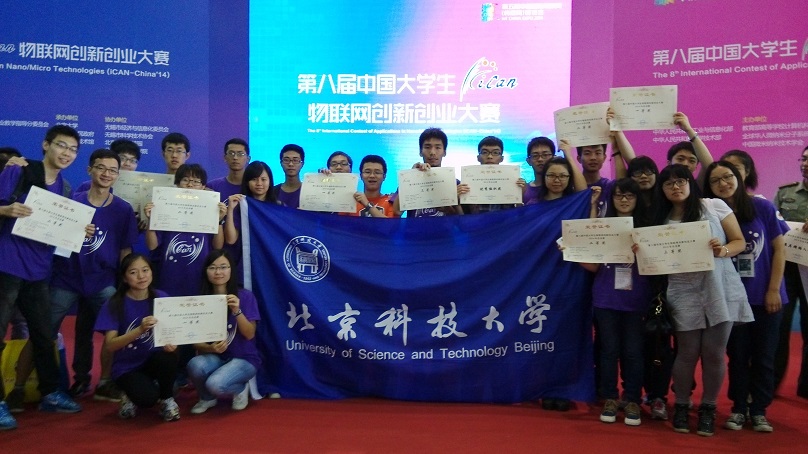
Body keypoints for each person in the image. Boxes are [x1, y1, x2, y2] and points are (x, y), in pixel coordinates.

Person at [6, 149, 139, 411]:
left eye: (112, 170)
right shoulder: (70, 201)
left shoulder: (123, 209)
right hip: (65, 279)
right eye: (101, 167)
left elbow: (125, 249)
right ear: (90, 170)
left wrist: (126, 283)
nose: (106, 174)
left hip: (102, 282)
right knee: (42, 334)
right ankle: (18, 388)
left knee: (115, 333)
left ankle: (104, 382)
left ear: (118, 175)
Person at [650, 164, 753, 436]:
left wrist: (723, 250)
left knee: (714, 353)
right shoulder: (660, 220)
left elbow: (739, 241)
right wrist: (644, 251)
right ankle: (682, 405)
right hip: (682, 290)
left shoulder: (714, 206)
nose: (675, 187)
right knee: (686, 353)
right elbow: (654, 260)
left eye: (681, 181)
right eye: (668, 183)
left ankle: (708, 407)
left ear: (690, 182)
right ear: (662, 189)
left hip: (720, 286)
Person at [0, 125, 84, 430]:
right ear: (46, 145)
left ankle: (50, 393)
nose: (66, 153)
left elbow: (59, 233)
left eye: (73, 149)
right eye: (61, 145)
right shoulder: (19, 171)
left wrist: (79, 230)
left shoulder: (65, 188)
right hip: (7, 264)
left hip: (38, 270)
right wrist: (6, 210)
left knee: (43, 334)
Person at [703, 160, 786, 432]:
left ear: (739, 177)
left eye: (728, 176)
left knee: (764, 357)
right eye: (715, 180)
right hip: (731, 298)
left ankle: (759, 410)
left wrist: (773, 289)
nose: (723, 184)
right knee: (737, 357)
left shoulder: (762, 207)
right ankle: (739, 408)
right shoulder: (710, 213)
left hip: (765, 296)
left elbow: (780, 250)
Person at [579, 179, 652, 426]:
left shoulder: (647, 228)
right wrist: (572, 253)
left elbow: (657, 265)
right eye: (619, 195)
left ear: (637, 199)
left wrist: (645, 251)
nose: (623, 200)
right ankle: (609, 397)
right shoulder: (605, 225)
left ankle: (632, 399)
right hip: (606, 298)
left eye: (629, 196)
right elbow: (594, 265)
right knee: (608, 351)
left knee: (633, 352)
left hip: (636, 300)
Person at [94, 253, 180, 421]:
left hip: (152, 360)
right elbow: (110, 345)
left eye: (145, 270)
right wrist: (139, 330)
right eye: (133, 272)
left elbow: (174, 332)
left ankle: (167, 400)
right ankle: (129, 394)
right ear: (124, 278)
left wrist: (173, 344)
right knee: (147, 399)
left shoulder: (162, 298)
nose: (141, 276)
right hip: (126, 368)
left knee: (169, 357)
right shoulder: (114, 303)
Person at [188, 250, 260, 414]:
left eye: (223, 267)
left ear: (231, 270)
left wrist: (237, 311)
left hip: (244, 359)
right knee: (194, 365)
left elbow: (250, 334)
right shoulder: (201, 300)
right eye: (212, 267)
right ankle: (207, 398)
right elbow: (195, 342)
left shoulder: (245, 296)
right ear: (206, 271)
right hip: (216, 357)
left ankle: (240, 388)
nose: (218, 272)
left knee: (215, 384)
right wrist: (210, 348)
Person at [772, 144, 808, 399]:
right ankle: (770, 384)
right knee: (778, 327)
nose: (805, 164)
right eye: (804, 159)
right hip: (786, 269)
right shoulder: (785, 192)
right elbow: (772, 225)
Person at [207, 138, 251, 284]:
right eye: (231, 153)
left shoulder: (255, 188)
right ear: (224, 157)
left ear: (248, 158)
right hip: (218, 255)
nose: (235, 158)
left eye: (240, 154)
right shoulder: (212, 188)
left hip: (247, 256)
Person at [392, 127, 464, 217]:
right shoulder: (409, 181)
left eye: (438, 147)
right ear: (420, 151)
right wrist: (411, 176)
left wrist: (452, 204)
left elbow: (462, 220)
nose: (432, 152)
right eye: (427, 147)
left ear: (444, 152)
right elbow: (397, 211)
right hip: (415, 227)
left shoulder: (455, 183)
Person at [225, 161, 279, 249]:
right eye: (254, 179)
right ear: (247, 182)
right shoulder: (240, 206)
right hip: (246, 256)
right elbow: (231, 240)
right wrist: (230, 210)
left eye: (263, 179)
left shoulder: (279, 207)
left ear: (270, 182)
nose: (259, 183)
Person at [465, 136, 525, 214]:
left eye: (495, 153)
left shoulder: (513, 181)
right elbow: (463, 216)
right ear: (478, 157)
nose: (490, 156)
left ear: (502, 158)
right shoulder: (467, 182)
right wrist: (459, 198)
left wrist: (520, 195)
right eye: (485, 152)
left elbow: (518, 214)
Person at [75, 139, 142, 193]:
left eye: (133, 160)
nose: (127, 164)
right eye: (122, 158)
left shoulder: (140, 188)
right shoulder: (87, 186)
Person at [523, 137, 554, 205]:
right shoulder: (524, 190)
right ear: (528, 161)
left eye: (545, 155)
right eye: (535, 156)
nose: (540, 159)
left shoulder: (559, 186)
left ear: (553, 158)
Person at [273, 144, 304, 208]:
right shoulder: (273, 192)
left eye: (295, 160)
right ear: (281, 163)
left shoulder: (309, 190)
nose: (291, 164)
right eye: (286, 160)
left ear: (302, 164)